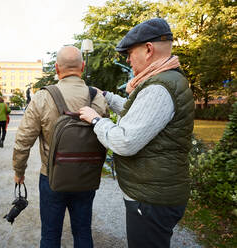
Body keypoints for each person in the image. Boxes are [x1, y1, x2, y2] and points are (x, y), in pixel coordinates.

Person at [79, 18, 194, 248]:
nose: (129, 59)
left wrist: (96, 121)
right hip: (154, 193)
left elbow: (124, 140)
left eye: (130, 53)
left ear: (148, 49)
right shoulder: (165, 79)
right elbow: (140, 115)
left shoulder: (159, 88)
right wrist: (108, 97)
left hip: (151, 199)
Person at [12, 46, 109, 248]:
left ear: (57, 68)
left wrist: (19, 171)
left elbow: (23, 141)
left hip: (52, 178)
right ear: (83, 66)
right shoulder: (97, 97)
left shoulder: (42, 97)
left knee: (50, 234)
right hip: (86, 177)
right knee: (83, 232)